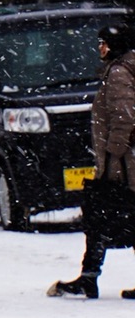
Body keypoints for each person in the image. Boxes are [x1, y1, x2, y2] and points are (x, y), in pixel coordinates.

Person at [50, 21, 135, 300]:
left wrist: (113, 152)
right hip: (124, 163)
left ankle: (88, 278)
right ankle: (88, 277)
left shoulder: (120, 73)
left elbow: (124, 118)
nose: (99, 48)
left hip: (121, 165)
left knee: (99, 215)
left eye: (103, 43)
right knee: (114, 217)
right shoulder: (123, 69)